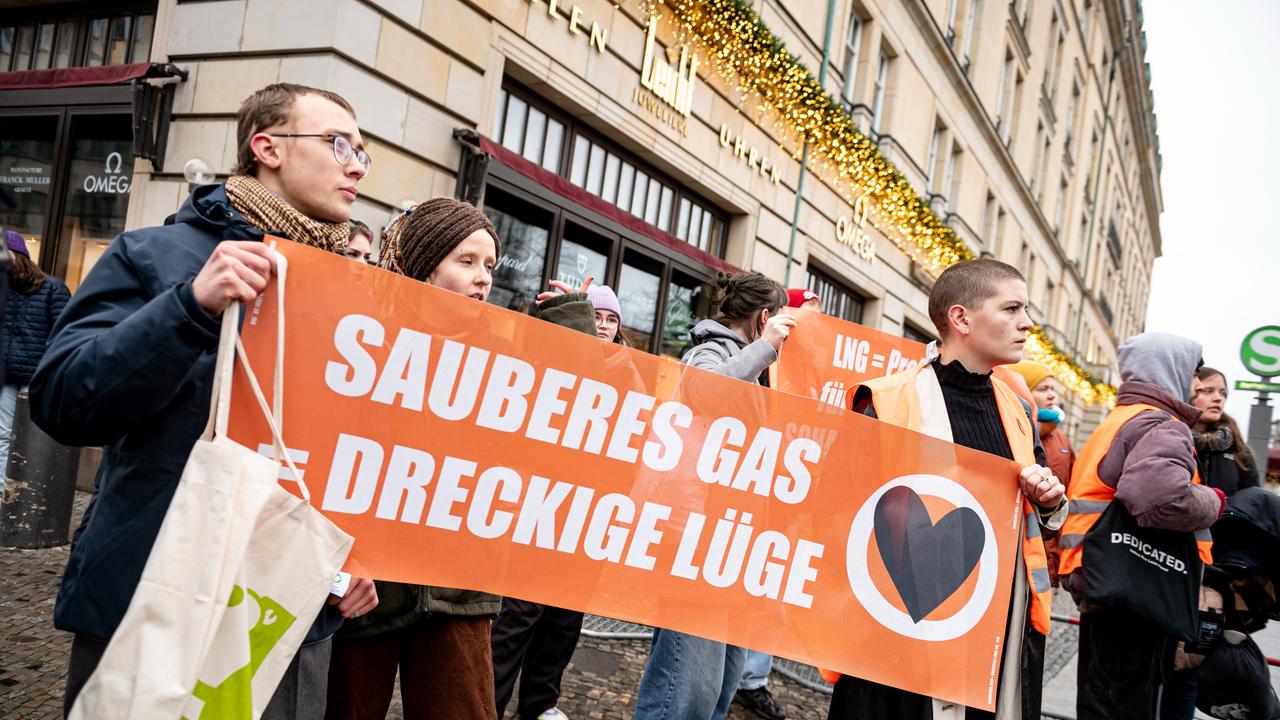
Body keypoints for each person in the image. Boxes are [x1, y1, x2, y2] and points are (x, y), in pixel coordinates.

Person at [30, 83, 378, 719]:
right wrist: (187, 308)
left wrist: (361, 557)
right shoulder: (156, 255)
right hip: (153, 596)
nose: (356, 164)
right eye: (337, 144)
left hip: (283, 615)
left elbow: (355, 452)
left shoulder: (355, 298)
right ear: (266, 146)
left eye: (362, 152)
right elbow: (61, 400)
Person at [828, 258, 1065, 720]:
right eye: (1012, 308)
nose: (1028, 324)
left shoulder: (1017, 407)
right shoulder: (886, 399)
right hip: (898, 632)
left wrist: (1049, 501)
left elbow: (1037, 527)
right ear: (961, 319)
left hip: (996, 635)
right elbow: (839, 512)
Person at [326, 197, 503, 720]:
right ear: (425, 265)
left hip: (458, 588)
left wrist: (573, 332)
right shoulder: (361, 343)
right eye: (465, 262)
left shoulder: (504, 363)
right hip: (367, 588)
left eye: (489, 266)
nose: (482, 279)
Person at [634, 270, 794, 720]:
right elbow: (705, 391)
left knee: (721, 676)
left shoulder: (753, 365)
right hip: (698, 534)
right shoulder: (711, 351)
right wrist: (765, 350)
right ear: (765, 318)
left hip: (730, 535)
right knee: (686, 680)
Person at [1057, 332, 1224, 720]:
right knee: (1123, 704)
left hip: (1102, 575)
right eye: (1193, 372)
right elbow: (1159, 498)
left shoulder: (1120, 419)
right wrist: (1215, 501)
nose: (1196, 384)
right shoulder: (1160, 425)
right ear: (1171, 370)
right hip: (1135, 584)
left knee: (1102, 699)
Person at [487, 281, 629, 720]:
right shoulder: (555, 353)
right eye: (596, 317)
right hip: (540, 508)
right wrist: (572, 321)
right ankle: (486, 703)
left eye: (610, 319)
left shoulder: (628, 369)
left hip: (588, 514)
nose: (602, 327)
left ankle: (541, 703)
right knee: (518, 616)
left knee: (564, 621)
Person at [733, 287, 820, 720]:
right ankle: (738, 679)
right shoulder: (762, 355)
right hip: (747, 493)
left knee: (772, 590)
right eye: (805, 317)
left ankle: (752, 679)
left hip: (790, 494)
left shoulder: (812, 368)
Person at [0, 231, 69, 485]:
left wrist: (52, 370)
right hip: (6, 376)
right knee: (2, 435)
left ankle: (27, 492)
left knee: (32, 438)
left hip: (37, 377)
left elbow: (63, 334)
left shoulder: (53, 289)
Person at [1007, 360, 1076, 587]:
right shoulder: (1013, 429)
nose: (1052, 396)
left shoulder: (1062, 441)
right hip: (1012, 550)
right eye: (1042, 389)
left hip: (1048, 553)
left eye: (1052, 389)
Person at [1190, 367, 1260, 496]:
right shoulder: (1174, 437)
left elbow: (1253, 501)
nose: (1218, 398)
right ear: (1189, 393)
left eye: (1223, 393)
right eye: (1207, 391)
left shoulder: (1239, 449)